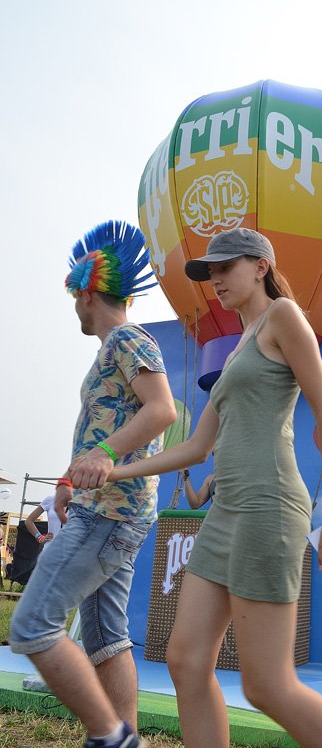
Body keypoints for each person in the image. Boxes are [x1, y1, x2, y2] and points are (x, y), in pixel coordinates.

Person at [95, 227, 322, 748]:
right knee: (185, 659)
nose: (215, 279)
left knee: (267, 686)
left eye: (226, 267)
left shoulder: (283, 316)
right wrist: (113, 467)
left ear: (261, 266)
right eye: (210, 272)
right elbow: (197, 448)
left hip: (268, 505)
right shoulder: (239, 345)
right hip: (225, 515)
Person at [9, 220, 177, 748]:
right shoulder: (112, 348)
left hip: (107, 515)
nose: (75, 311)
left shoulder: (127, 339)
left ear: (86, 293)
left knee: (33, 624)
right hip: (108, 510)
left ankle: (110, 736)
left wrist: (103, 456)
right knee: (106, 639)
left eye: (74, 300)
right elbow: (102, 427)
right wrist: (68, 479)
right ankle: (122, 741)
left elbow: (162, 410)